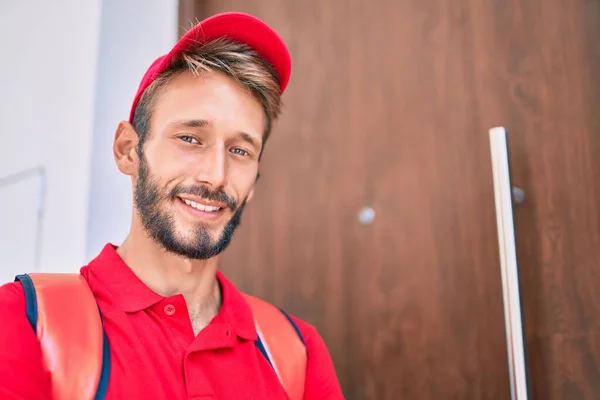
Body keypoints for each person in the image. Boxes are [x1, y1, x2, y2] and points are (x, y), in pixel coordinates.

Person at [0, 12, 343, 400]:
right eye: (190, 138)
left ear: (254, 183)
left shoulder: (297, 352)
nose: (216, 176)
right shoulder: (26, 321)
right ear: (128, 150)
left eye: (240, 150)